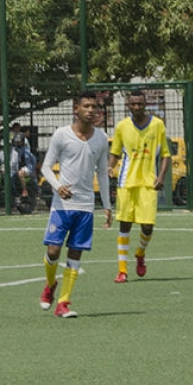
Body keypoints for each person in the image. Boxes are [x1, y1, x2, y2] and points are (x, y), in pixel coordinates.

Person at [38, 91, 114, 318]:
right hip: (62, 205)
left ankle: (63, 302)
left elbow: (102, 172)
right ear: (76, 109)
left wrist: (107, 205)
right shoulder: (61, 135)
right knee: (53, 250)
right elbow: (45, 167)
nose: (91, 110)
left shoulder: (101, 138)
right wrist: (57, 185)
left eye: (94, 107)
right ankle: (50, 285)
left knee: (75, 254)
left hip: (85, 206)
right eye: (87, 106)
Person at [108, 90, 170, 283]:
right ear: (128, 105)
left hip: (149, 182)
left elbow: (166, 155)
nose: (136, 107)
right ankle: (122, 270)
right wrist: (109, 167)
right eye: (133, 104)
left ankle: (140, 253)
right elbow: (115, 153)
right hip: (126, 182)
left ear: (145, 104)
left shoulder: (158, 125)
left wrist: (161, 176)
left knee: (148, 226)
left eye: (140, 104)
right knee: (125, 224)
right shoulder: (122, 127)